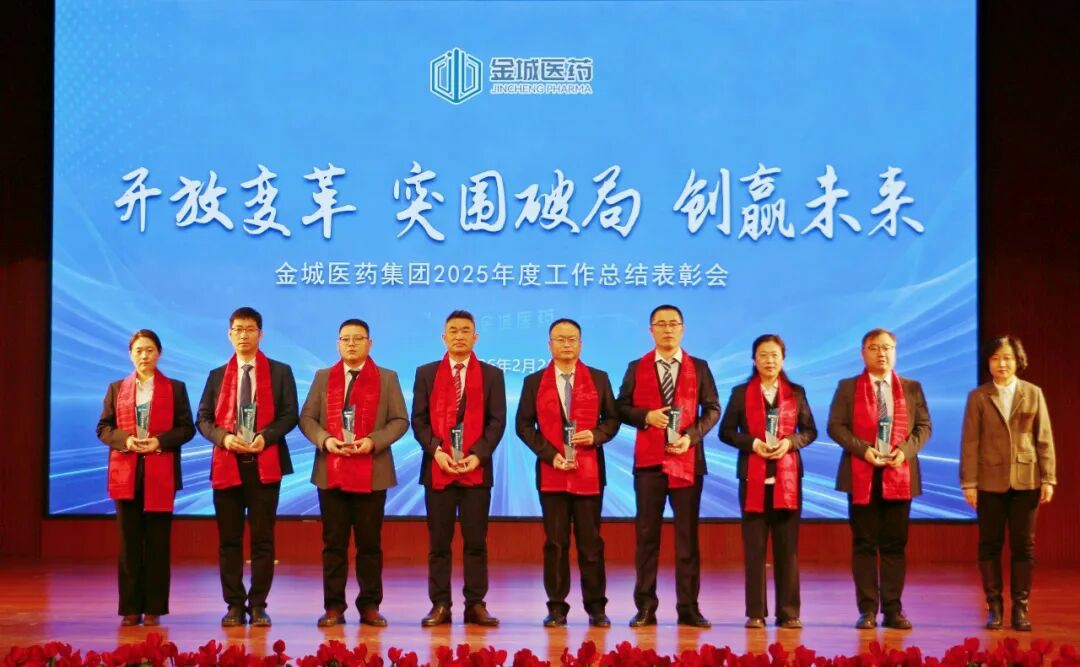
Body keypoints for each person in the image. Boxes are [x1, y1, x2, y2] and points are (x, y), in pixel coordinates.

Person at [616, 304, 721, 628]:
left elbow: (712, 409)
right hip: (649, 464)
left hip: (687, 461)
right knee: (647, 538)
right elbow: (620, 407)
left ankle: (688, 607)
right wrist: (645, 416)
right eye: (660, 324)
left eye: (673, 323)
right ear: (651, 330)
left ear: (682, 328)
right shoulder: (637, 367)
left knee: (687, 538)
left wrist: (691, 437)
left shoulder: (699, 367)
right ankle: (645, 607)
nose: (667, 329)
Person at [300, 318, 409, 627]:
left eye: (357, 338)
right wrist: (326, 440)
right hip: (331, 471)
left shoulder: (387, 378)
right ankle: (334, 607)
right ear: (338, 344)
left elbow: (400, 420)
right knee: (333, 544)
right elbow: (307, 418)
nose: (351, 344)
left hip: (372, 472)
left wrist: (373, 441)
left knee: (369, 544)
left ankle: (370, 606)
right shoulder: (323, 377)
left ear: (369, 343)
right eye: (345, 339)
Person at [515, 318, 621, 628]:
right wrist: (551, 455)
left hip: (589, 474)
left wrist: (595, 435)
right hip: (552, 474)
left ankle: (596, 608)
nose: (566, 344)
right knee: (555, 544)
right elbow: (523, 425)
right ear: (549, 345)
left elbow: (612, 420)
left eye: (571, 339)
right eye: (559, 339)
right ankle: (557, 608)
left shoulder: (599, 378)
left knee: (591, 544)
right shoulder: (534, 382)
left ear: (580, 344)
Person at [197, 306, 298, 627]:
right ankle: (234, 605)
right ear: (230, 335)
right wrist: (225, 438)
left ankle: (258, 605)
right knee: (229, 540)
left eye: (250, 329)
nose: (244, 335)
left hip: (264, 464)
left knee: (263, 540)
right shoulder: (217, 375)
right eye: (238, 330)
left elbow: (290, 414)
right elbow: (203, 419)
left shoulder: (280, 372)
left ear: (260, 334)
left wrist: (265, 437)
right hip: (227, 464)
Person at [827, 328, 931, 630]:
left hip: (900, 474)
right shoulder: (848, 387)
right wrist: (864, 450)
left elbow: (924, 427)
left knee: (894, 545)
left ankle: (893, 610)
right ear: (863, 353)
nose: (881, 353)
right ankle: (868, 610)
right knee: (864, 544)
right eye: (874, 348)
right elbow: (836, 426)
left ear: (895, 352)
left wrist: (903, 452)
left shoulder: (912, 387)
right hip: (862, 473)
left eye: (887, 348)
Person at [411, 310, 506, 627]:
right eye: (453, 330)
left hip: (476, 471)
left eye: (466, 330)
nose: (459, 335)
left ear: (475, 337)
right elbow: (419, 421)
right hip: (438, 468)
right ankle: (440, 604)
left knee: (476, 542)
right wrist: (436, 451)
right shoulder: (426, 373)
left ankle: (475, 604)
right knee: (439, 544)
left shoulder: (492, 375)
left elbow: (497, 422)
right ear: (444, 337)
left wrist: (478, 455)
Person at [97, 329, 195, 627]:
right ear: (131, 354)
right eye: (138, 350)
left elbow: (186, 428)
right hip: (125, 473)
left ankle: (154, 608)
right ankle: (130, 608)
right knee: (129, 544)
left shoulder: (175, 388)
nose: (144, 355)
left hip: (160, 473)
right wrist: (126, 440)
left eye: (149, 350)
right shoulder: (117, 388)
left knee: (157, 545)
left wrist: (159, 442)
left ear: (159, 353)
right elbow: (103, 428)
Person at [719, 334, 817, 629]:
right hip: (752, 479)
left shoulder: (796, 392)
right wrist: (753, 444)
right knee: (755, 550)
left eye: (774, 355)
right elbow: (726, 432)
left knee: (788, 550)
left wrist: (789, 443)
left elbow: (809, 431)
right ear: (754, 360)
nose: (769, 360)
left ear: (783, 359)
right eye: (763, 355)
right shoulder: (740, 393)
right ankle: (756, 613)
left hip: (788, 480)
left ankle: (789, 613)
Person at [960, 335, 1055, 632]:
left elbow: (1044, 438)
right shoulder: (978, 396)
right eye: (996, 358)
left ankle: (1021, 608)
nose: (1002, 364)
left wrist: (1048, 478)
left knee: (1024, 547)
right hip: (989, 482)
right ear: (988, 363)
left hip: (1027, 480)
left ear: (1018, 361)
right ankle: (994, 607)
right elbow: (970, 442)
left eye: (1008, 358)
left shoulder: (1033, 393)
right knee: (989, 546)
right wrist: (969, 483)